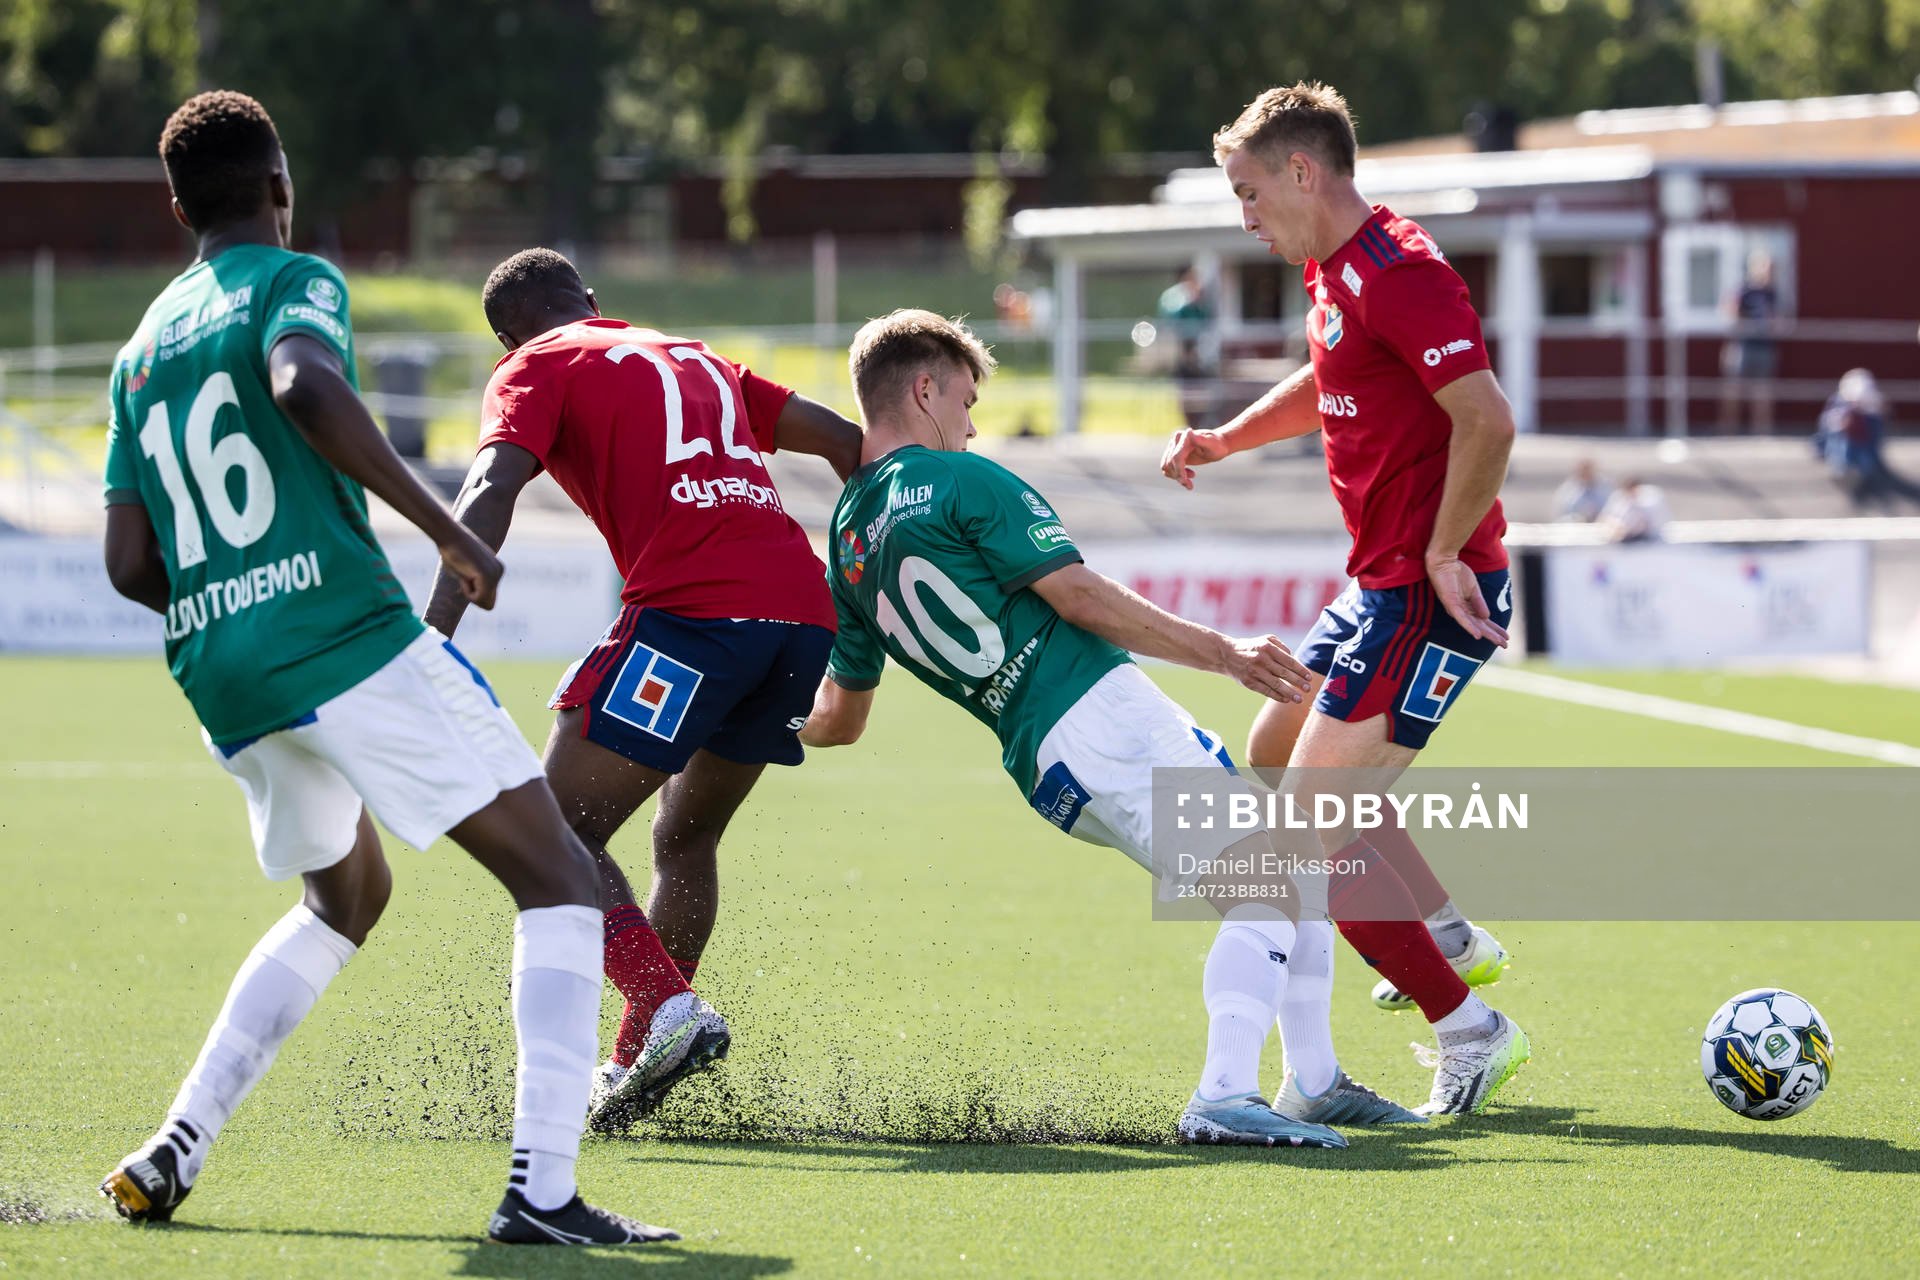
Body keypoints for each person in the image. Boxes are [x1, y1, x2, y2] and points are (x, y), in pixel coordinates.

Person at [97, 92, 669, 1245]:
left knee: (345, 894)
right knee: (559, 874)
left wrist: (233, 604)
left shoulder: (136, 352)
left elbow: (127, 561)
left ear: (174, 208)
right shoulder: (292, 277)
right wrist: (445, 531)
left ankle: (175, 1143)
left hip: (227, 673)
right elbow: (306, 384)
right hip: (345, 639)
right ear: (280, 187)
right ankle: (541, 1189)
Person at [802, 309, 1426, 1146]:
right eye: (965, 397)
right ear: (923, 389)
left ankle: (1312, 1081)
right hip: (1096, 716)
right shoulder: (964, 478)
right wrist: (1223, 653)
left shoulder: (844, 537)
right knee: (1268, 884)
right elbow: (1081, 597)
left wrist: (770, 718)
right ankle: (1222, 1097)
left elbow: (838, 720)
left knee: (1288, 867)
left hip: (1042, 760)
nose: (974, 421)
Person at [423, 248, 862, 1133]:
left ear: (508, 335)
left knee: (553, 830)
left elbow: (490, 484)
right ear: (592, 300)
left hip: (695, 619)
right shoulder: (697, 356)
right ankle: (631, 1060)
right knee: (685, 832)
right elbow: (850, 446)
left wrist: (428, 638)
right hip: (800, 619)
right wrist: (864, 580)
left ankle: (664, 1008)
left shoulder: (534, 363)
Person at [1159, 82, 1527, 1116]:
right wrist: (1228, 438)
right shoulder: (1337, 272)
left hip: (1425, 591)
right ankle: (1447, 928)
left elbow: (1488, 421)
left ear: (1303, 172)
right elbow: (1334, 382)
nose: (1245, 215)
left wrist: (1449, 546)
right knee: (1277, 757)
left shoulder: (1401, 272)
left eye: (1248, 191)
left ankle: (1470, 1026)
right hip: (1380, 585)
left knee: (1302, 836)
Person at [1720, 252, 1779, 435]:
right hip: (1743, 345)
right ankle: (1728, 430)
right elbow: (1729, 311)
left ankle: (1761, 432)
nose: (1769, 273)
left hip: (1764, 346)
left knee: (1762, 391)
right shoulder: (1744, 290)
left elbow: (1775, 320)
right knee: (1734, 390)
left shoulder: (1772, 294)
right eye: (1766, 268)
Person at [1598, 476, 1669, 543]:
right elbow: (1605, 517)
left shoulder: (1651, 499)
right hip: (1623, 539)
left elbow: (1656, 522)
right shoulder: (1618, 499)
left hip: (1648, 539)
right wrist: (1616, 526)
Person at [1553, 457, 1613, 523]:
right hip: (1574, 525)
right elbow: (1562, 510)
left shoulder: (1604, 486)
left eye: (1588, 469)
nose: (1585, 473)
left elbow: (1610, 507)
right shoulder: (1568, 488)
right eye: (1583, 470)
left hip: (1599, 524)